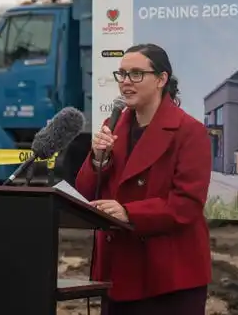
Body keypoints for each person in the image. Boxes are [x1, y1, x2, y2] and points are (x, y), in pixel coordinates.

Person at [75, 43, 212, 315]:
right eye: (122, 74)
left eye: (136, 74)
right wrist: (98, 160)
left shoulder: (190, 132)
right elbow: (85, 191)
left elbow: (186, 204)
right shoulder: (110, 126)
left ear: (161, 79)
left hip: (169, 277)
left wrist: (129, 212)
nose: (126, 82)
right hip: (118, 272)